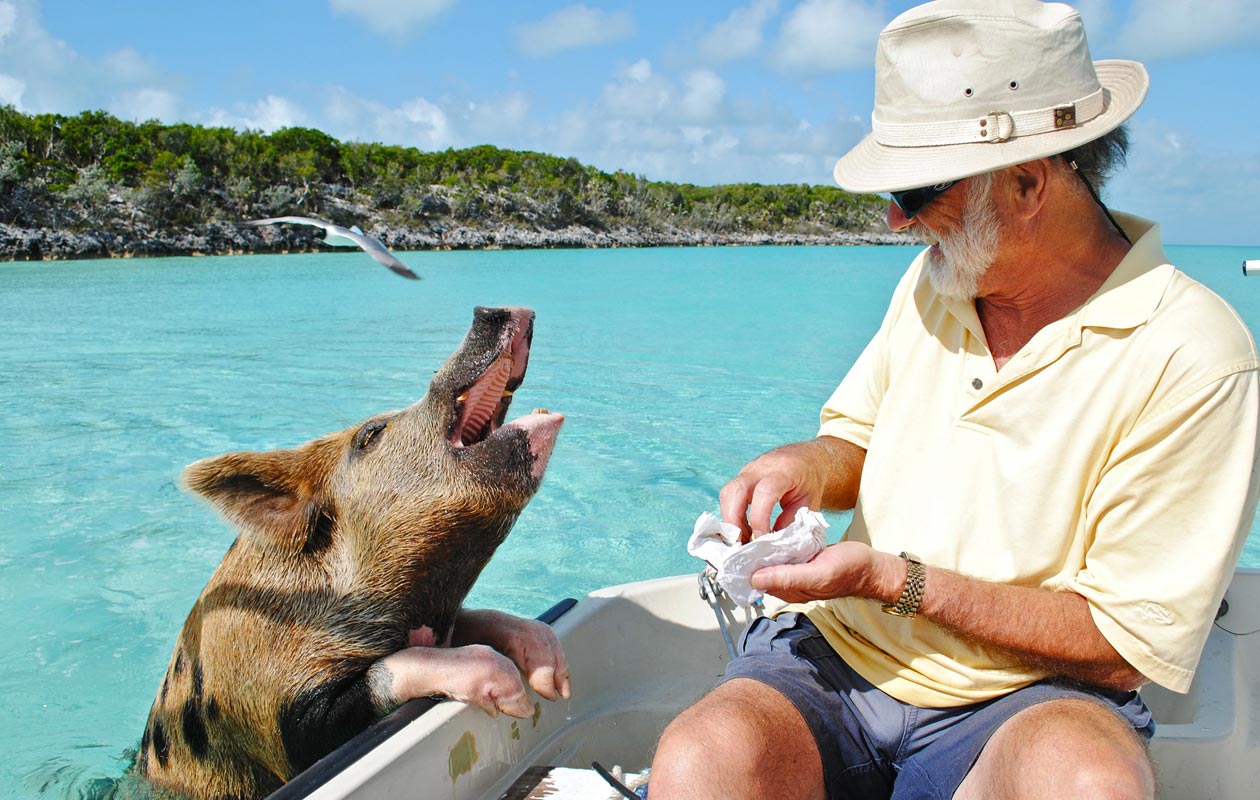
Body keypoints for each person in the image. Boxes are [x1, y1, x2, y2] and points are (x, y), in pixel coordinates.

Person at [648, 1, 1260, 799]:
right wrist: (799, 464)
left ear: (1029, 183)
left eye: (916, 189)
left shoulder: (1196, 352)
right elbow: (855, 447)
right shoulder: (938, 280)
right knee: (701, 758)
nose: (895, 218)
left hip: (1033, 694)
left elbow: (1121, 648)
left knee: (1086, 784)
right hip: (840, 658)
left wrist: (891, 581)